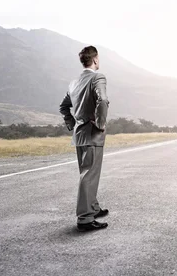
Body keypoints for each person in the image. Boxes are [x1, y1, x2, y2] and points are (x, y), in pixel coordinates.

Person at [59, 45, 110, 232]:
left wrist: (73, 125)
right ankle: (85, 219)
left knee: (87, 173)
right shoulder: (98, 77)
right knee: (89, 175)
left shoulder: (74, 83)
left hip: (79, 134)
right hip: (92, 134)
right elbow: (102, 101)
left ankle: (93, 208)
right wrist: (101, 123)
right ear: (95, 60)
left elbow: (64, 107)